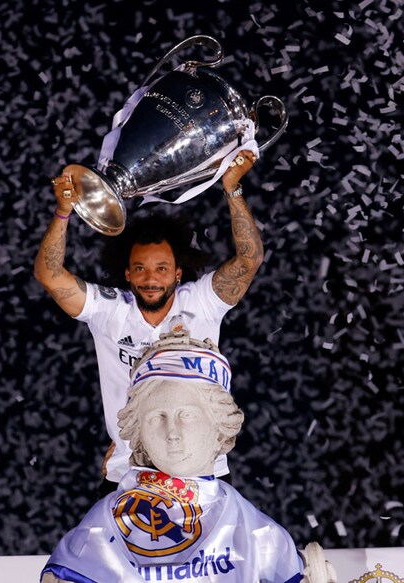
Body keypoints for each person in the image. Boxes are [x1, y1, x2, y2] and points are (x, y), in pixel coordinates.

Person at [33, 151, 264, 494]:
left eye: (161, 269)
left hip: (202, 471)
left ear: (178, 273)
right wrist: (64, 211)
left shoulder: (200, 302)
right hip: (129, 471)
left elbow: (249, 260)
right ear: (127, 273)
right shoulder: (110, 311)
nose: (150, 278)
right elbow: (49, 275)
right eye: (140, 269)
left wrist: (233, 188)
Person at [39, 332, 335, 583]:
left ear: (220, 425)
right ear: (139, 432)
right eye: (157, 418)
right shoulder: (103, 526)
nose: (172, 433)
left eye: (187, 415)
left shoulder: (258, 534)